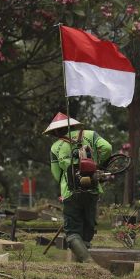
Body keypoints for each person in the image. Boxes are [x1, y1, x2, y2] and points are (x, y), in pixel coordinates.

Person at [44, 112, 112, 262]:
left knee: (73, 232)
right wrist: (95, 164)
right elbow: (107, 148)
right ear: (74, 125)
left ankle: (88, 263)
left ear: (56, 131)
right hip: (93, 188)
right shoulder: (91, 134)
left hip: (70, 192)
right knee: (88, 228)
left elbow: (56, 175)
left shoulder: (55, 147)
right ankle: (81, 264)